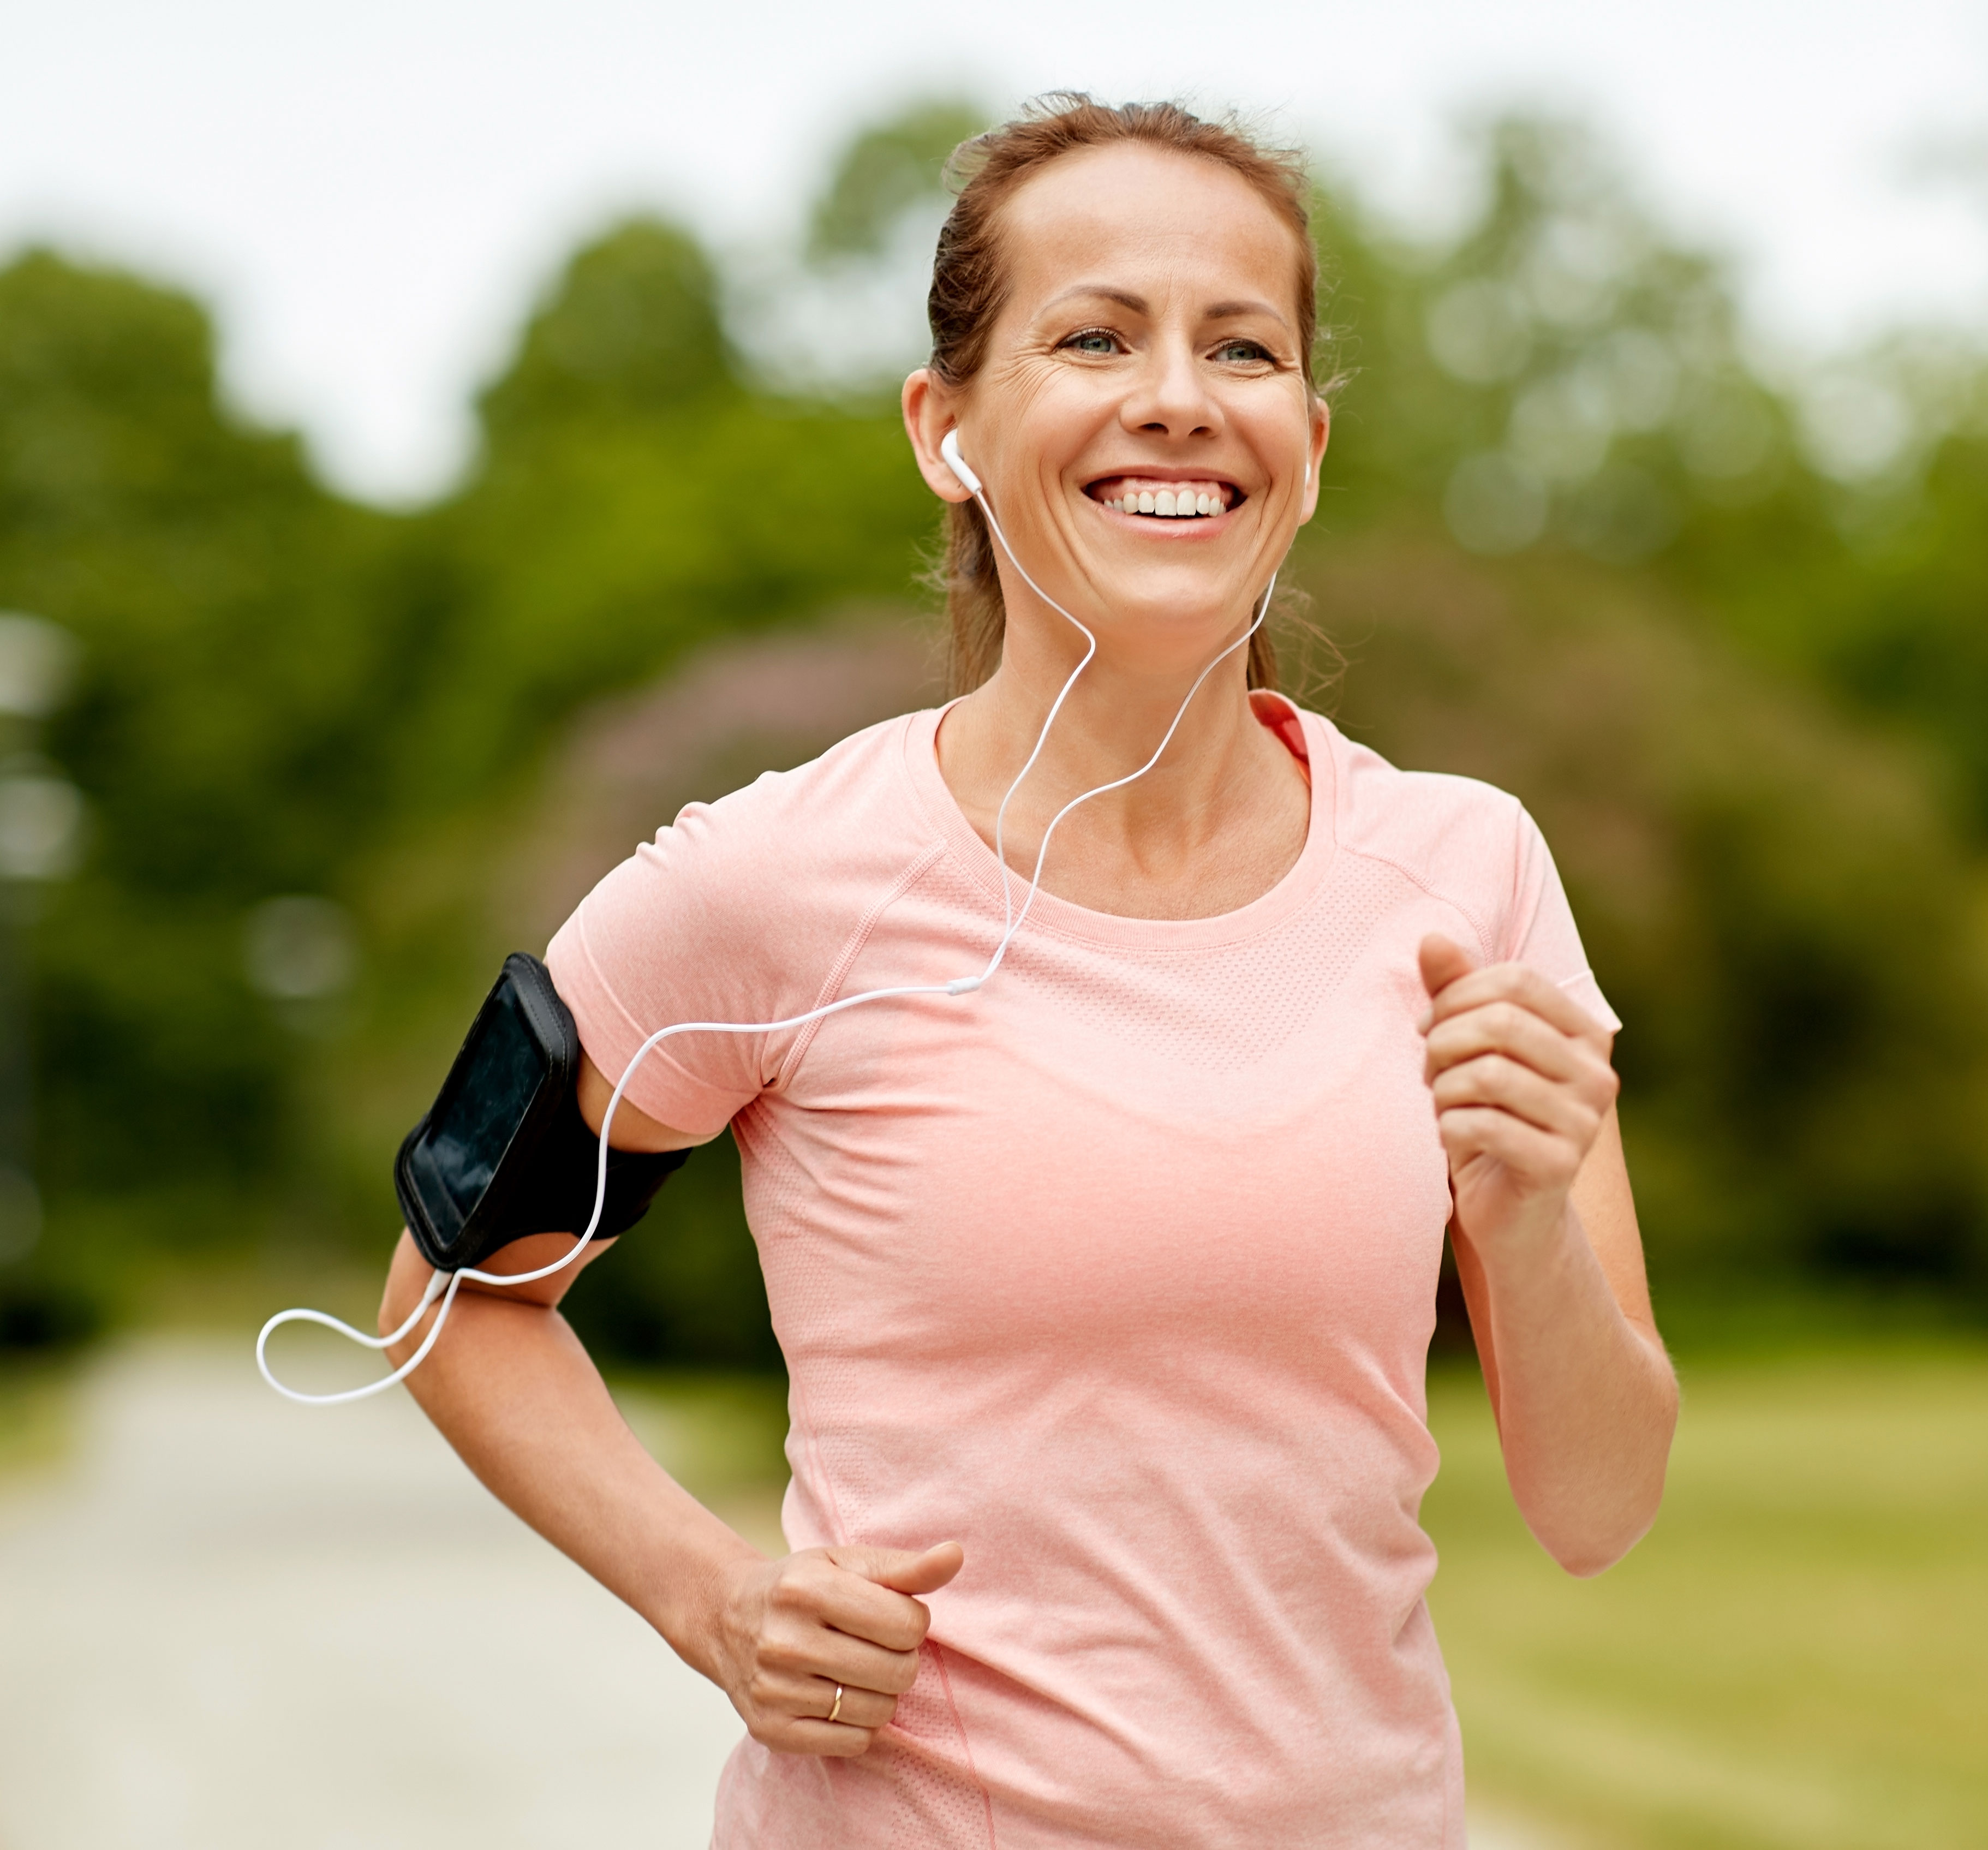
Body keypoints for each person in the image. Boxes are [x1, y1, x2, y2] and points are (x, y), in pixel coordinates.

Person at [379, 94, 1680, 1849]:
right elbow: (450, 1295)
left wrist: (1524, 1216)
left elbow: (1599, 1504)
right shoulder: (771, 879)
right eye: (1093, 336)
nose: (1177, 395)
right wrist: (708, 1597)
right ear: (948, 429)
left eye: (1242, 345)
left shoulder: (1466, 872)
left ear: (1308, 432)